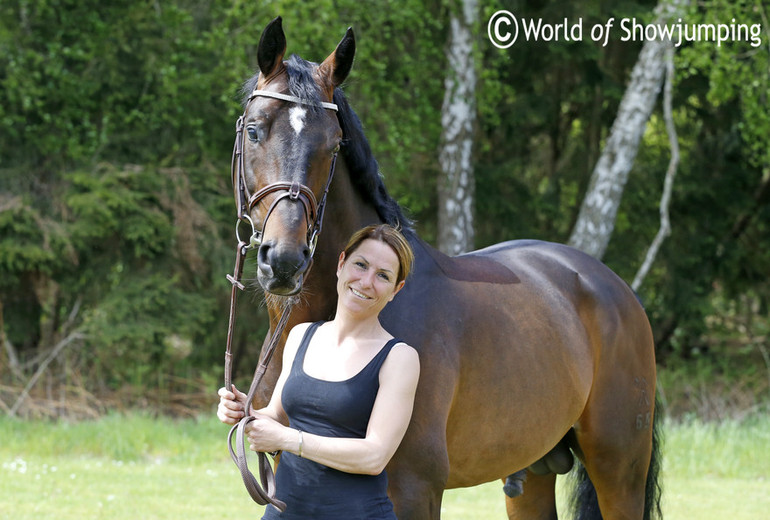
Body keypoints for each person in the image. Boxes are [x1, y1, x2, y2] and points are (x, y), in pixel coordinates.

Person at [217, 224, 419, 519]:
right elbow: (278, 416)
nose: (365, 281)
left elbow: (374, 456)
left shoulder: (399, 358)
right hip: (284, 512)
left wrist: (287, 440)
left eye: (383, 276)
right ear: (341, 265)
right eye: (360, 265)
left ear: (395, 290)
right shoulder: (301, 336)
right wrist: (245, 412)